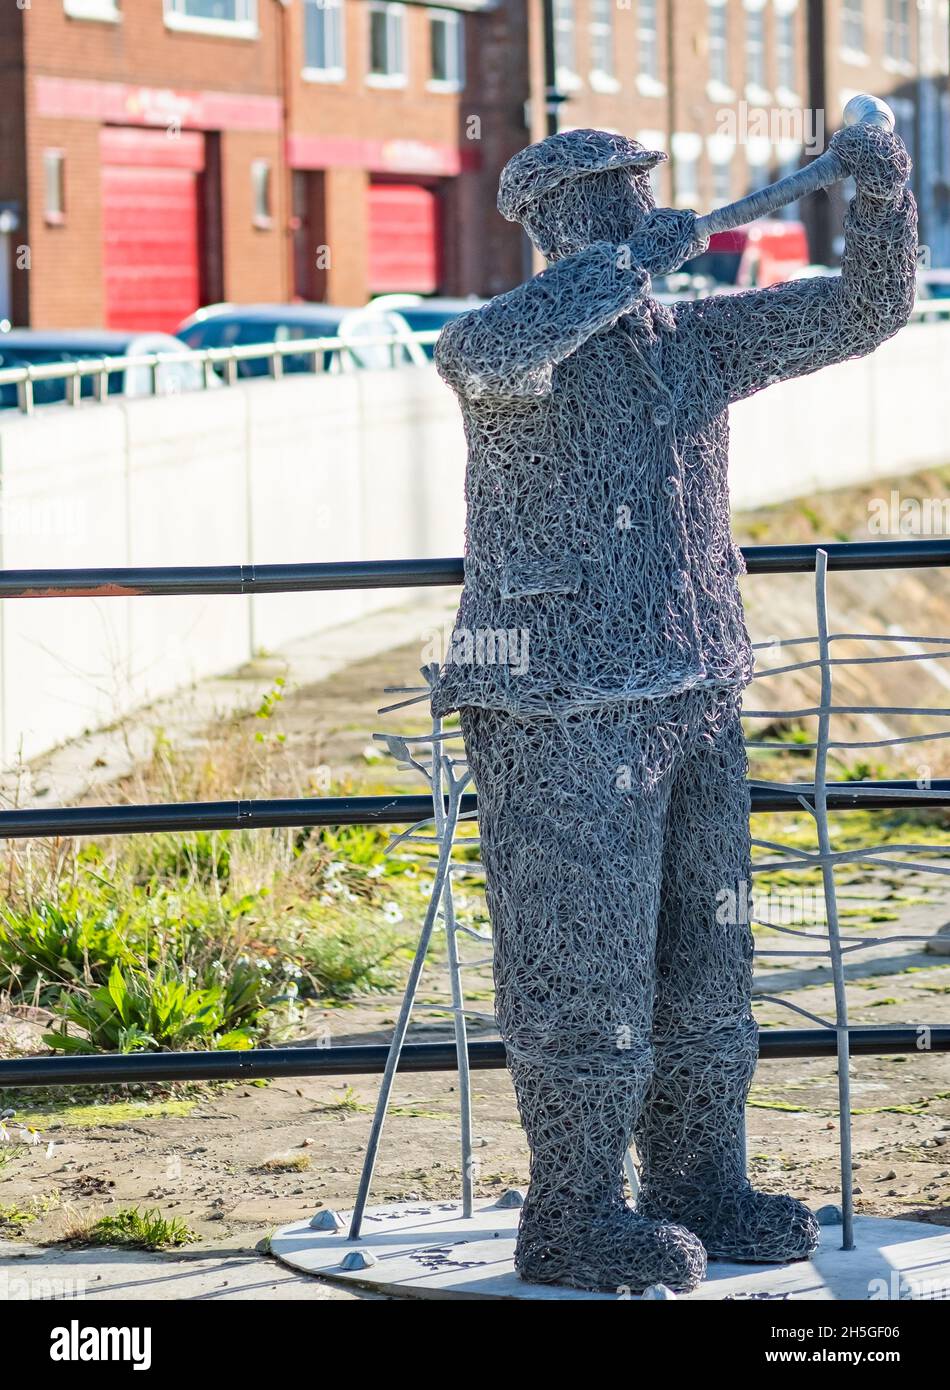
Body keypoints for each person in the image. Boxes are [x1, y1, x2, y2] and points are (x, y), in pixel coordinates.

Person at [433, 124, 917, 1293]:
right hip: (559, 704)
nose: (621, 214)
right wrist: (619, 269)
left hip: (698, 689)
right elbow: (494, 349)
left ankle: (697, 1180)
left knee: (712, 956)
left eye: (632, 197)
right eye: (599, 202)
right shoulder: (506, 344)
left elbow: (864, 314)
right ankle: (571, 1210)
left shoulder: (692, 345)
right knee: (581, 969)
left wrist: (882, 197)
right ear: (549, 222)